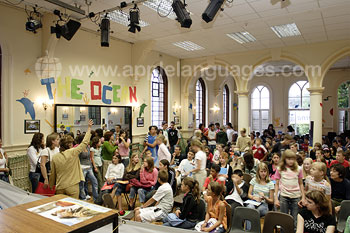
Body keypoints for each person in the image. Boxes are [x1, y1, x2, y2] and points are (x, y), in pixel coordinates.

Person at [49, 119, 93, 198]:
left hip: (60, 186)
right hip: (72, 186)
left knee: (61, 208)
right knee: (72, 207)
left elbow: (53, 174)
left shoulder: (55, 157)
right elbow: (85, 142)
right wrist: (89, 128)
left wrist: (51, 185)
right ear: (69, 144)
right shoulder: (73, 152)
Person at [274, 149, 305, 227]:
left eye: (293, 159)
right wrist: (276, 199)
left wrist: (303, 197)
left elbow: (301, 184)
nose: (291, 161)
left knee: (295, 220)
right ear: (284, 159)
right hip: (284, 196)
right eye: (289, 159)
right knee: (283, 219)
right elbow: (277, 184)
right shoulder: (279, 169)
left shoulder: (299, 169)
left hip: (296, 196)